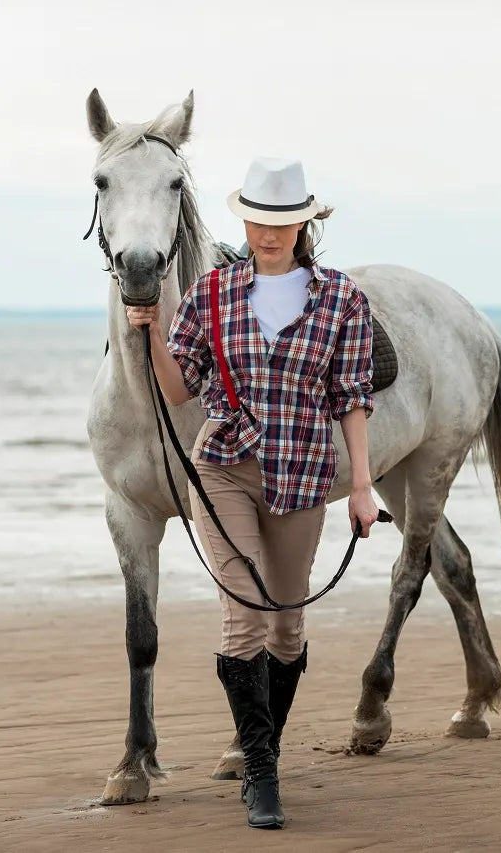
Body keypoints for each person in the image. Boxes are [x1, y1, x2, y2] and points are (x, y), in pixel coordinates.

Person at [126, 156, 377, 829]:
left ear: (304, 223)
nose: (269, 234)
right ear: (243, 219)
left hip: (301, 475)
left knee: (287, 626)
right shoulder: (212, 294)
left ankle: (264, 741)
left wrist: (361, 486)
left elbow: (350, 399)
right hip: (224, 468)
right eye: (259, 221)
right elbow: (180, 388)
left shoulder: (343, 299)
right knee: (243, 617)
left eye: (284, 222)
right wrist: (151, 333)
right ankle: (261, 773)